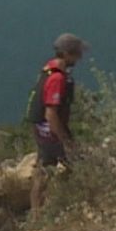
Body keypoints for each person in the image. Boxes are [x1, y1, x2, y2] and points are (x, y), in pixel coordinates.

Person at [27, 32, 88, 214]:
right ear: (68, 54)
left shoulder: (48, 69)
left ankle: (38, 210)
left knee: (45, 169)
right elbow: (51, 113)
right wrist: (64, 139)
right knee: (76, 163)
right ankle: (64, 205)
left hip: (41, 130)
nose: (80, 57)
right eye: (77, 53)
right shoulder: (57, 78)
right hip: (50, 132)